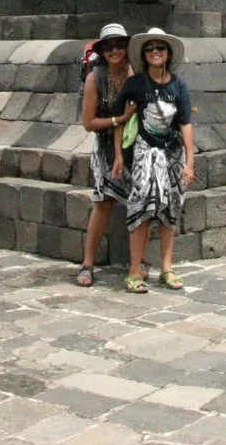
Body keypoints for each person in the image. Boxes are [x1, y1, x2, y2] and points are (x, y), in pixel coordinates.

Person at [109, 27, 194, 293]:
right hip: (144, 153)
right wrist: (119, 156)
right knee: (140, 210)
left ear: (168, 54)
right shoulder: (135, 85)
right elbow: (120, 121)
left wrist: (191, 162)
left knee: (170, 210)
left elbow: (186, 124)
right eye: (150, 49)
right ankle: (135, 270)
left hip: (172, 154)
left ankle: (167, 267)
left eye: (160, 48)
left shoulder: (179, 86)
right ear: (144, 56)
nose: (156, 52)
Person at [74, 23, 133, 287]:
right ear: (102, 51)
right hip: (105, 144)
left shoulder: (135, 74)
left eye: (119, 45)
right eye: (109, 46)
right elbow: (88, 123)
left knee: (141, 202)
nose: (115, 50)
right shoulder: (95, 78)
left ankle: (137, 260)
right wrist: (118, 119)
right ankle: (87, 262)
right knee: (103, 202)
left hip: (135, 144)